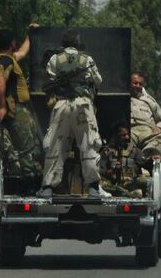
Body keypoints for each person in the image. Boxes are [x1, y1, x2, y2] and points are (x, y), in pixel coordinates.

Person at [38, 30, 110, 198]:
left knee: (55, 144)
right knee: (88, 144)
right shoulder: (87, 60)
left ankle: (48, 187)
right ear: (78, 44)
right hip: (83, 106)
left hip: (61, 105)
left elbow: (49, 80)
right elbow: (98, 81)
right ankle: (93, 187)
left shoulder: (55, 59)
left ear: (63, 45)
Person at [0, 27, 43, 192]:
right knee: (27, 149)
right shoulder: (5, 61)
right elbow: (0, 82)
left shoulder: (7, 58)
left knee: (31, 146)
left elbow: (22, 52)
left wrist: (30, 34)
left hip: (21, 109)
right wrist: (2, 107)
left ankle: (31, 181)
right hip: (17, 109)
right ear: (11, 43)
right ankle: (30, 186)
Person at [130, 72, 161, 173]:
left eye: (140, 84)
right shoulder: (123, 98)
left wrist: (159, 128)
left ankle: (145, 156)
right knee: (125, 143)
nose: (138, 86)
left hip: (148, 132)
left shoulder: (150, 101)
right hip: (130, 131)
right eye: (135, 83)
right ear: (129, 84)